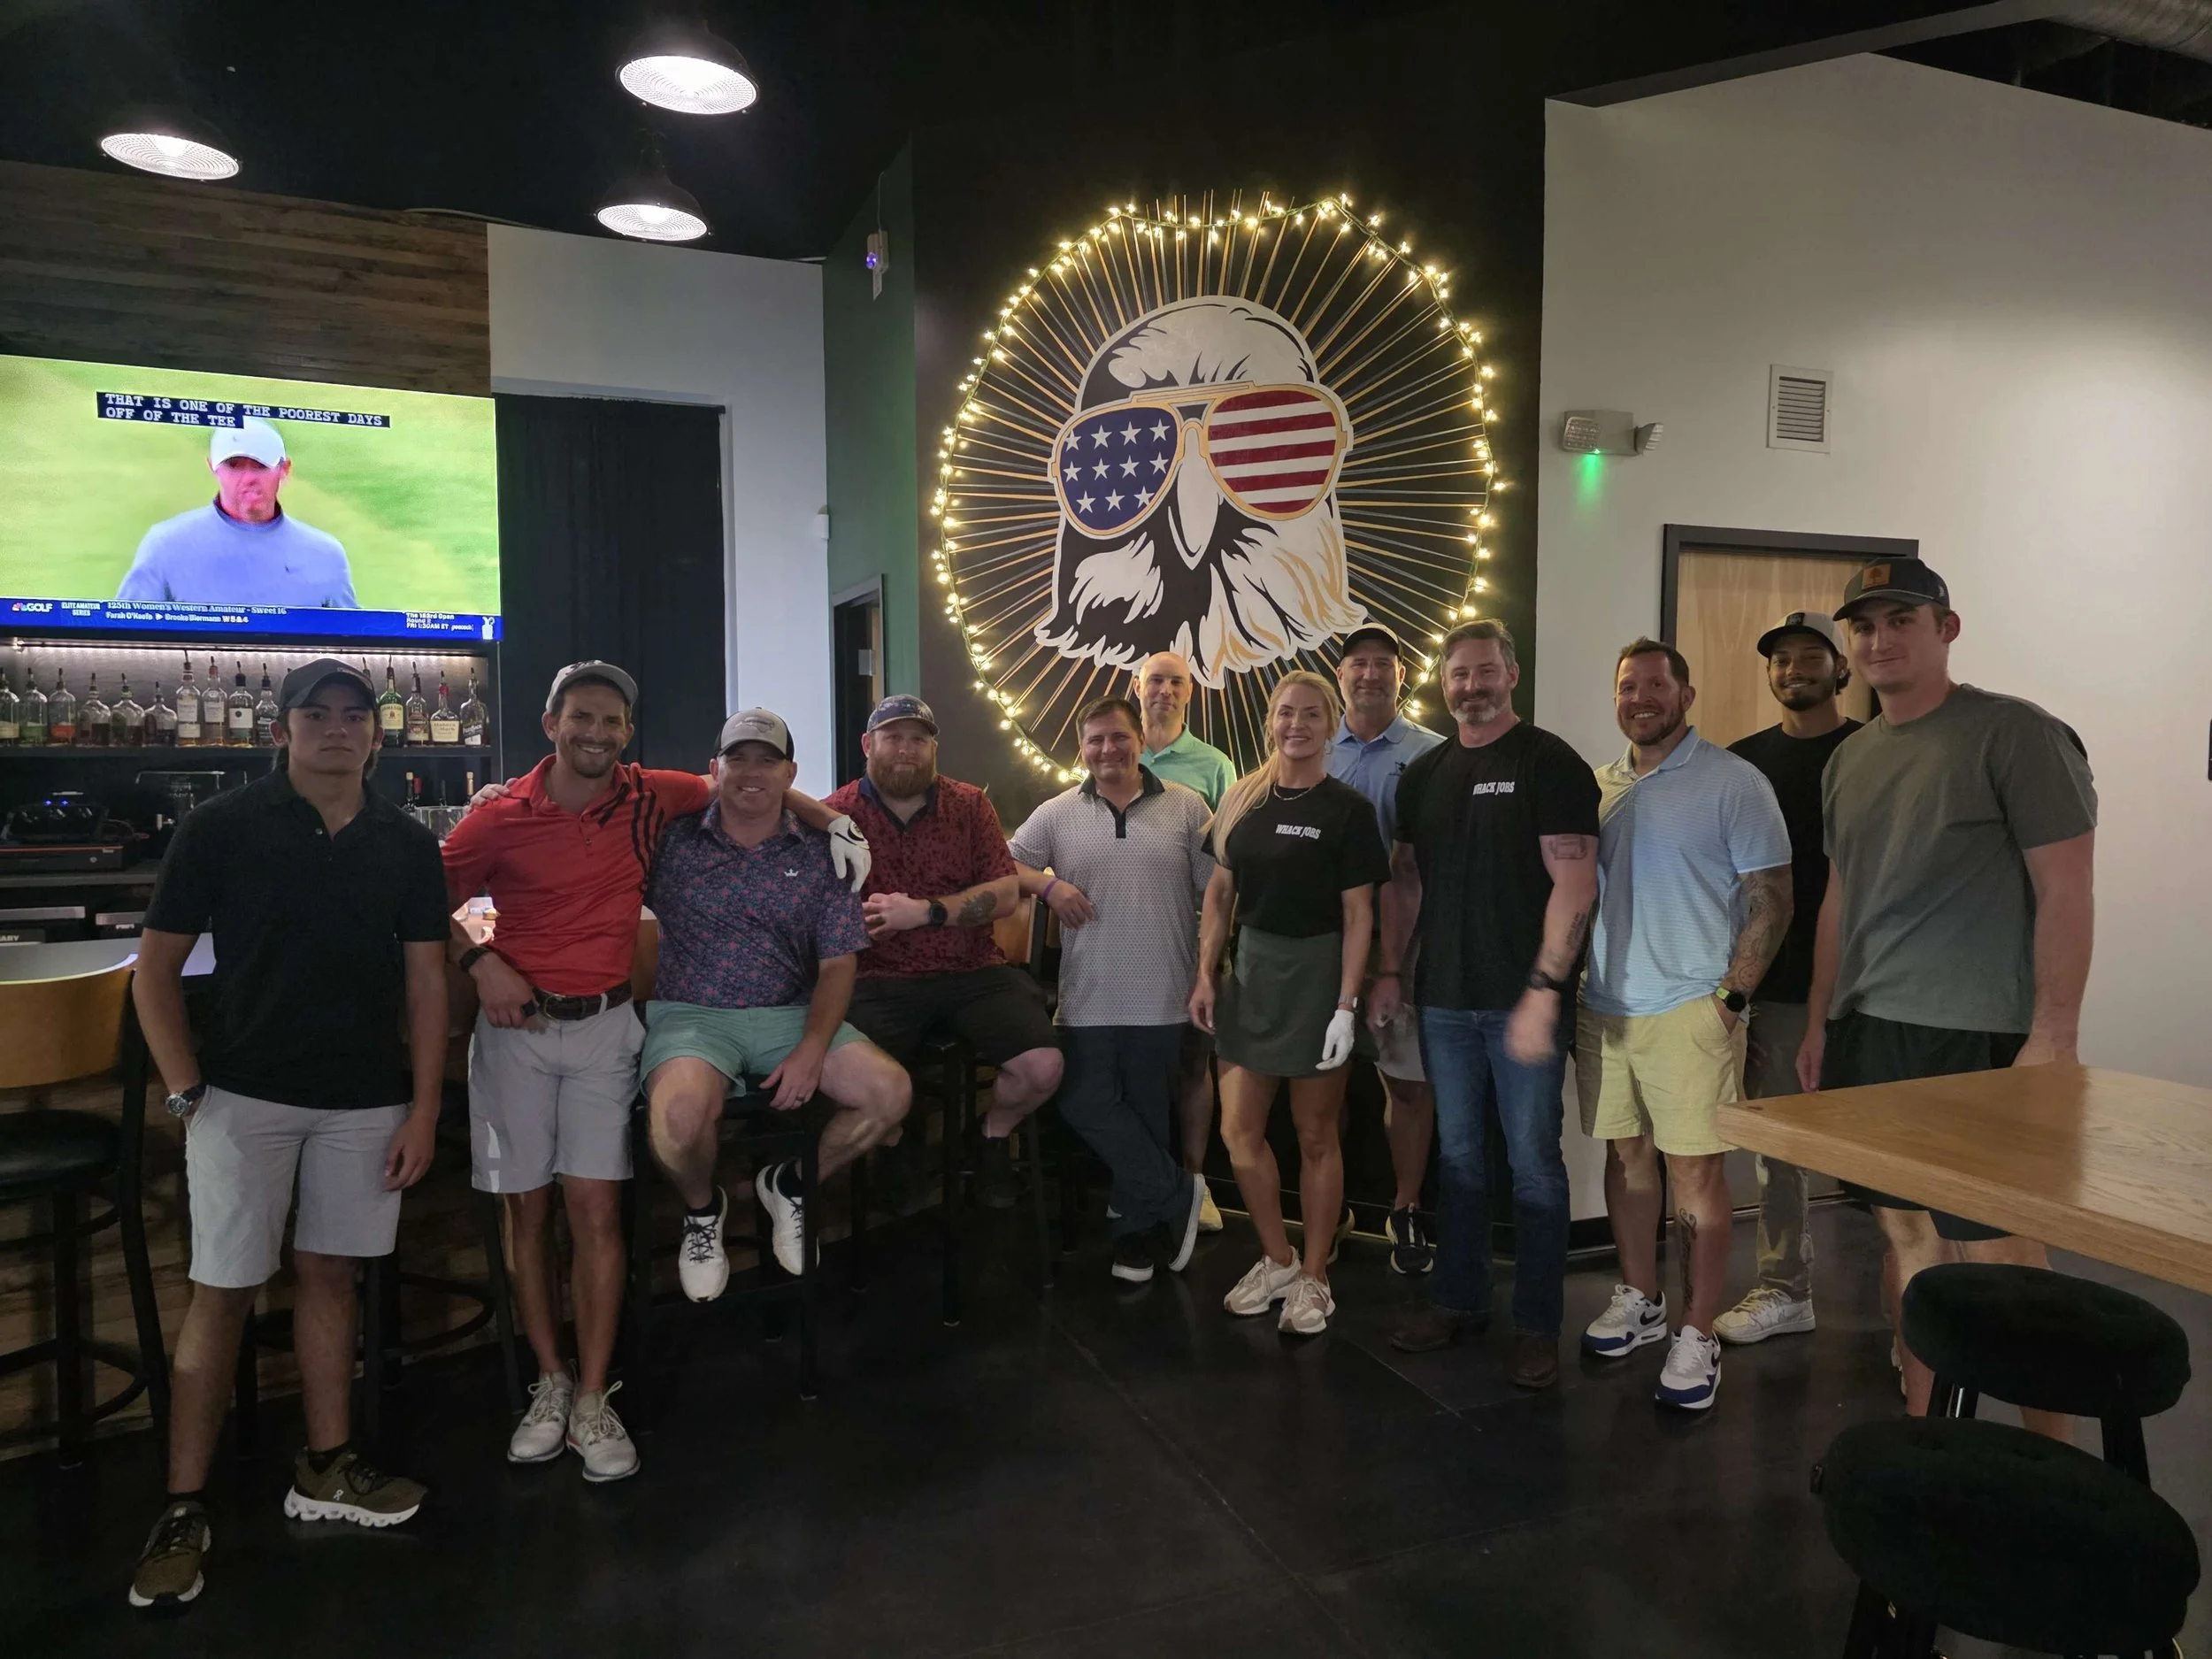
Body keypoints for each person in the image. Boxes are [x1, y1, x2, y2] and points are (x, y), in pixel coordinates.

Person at [127, 659, 449, 1611]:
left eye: (357, 717)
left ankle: (325, 1466)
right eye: (319, 716)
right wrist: (189, 1094)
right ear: (283, 731)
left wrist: (424, 1104)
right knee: (221, 1291)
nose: (339, 730)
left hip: (363, 1099)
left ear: (379, 737)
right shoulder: (219, 828)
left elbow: (428, 980)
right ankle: (184, 1505)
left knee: (329, 1276)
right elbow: (154, 975)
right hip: (243, 1095)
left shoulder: (404, 844)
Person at [1798, 558, 2095, 1439]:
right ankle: (1931, 1438)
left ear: (1945, 628)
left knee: (2002, 1258)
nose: (1879, 640)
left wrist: (2053, 1035)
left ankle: (2054, 1457)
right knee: (1911, 1249)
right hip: (1874, 1032)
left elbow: (2067, 889)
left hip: (1978, 1036)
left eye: (1900, 620)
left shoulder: (2016, 735)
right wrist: (1821, 1018)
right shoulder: (1849, 758)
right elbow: (1839, 900)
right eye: (1864, 626)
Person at [1376, 621, 1599, 1389]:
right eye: (1457, 674)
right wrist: (1389, 972)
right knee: (1460, 1157)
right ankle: (1460, 1299)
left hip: (1520, 1001)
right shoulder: (1425, 773)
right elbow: (1406, 882)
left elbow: (1576, 884)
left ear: (1511, 673)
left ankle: (1538, 1325)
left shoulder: (1550, 762)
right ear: (1444, 683)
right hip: (1442, 998)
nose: (1470, 686)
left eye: (1483, 671)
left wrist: (1543, 991)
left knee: (1534, 1165)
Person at [1577, 640, 1792, 1412]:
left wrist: (1729, 1001)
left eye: (1656, 685)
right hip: (1606, 1006)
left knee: (1696, 1176)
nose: (1641, 697)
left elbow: (1772, 895)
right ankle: (1641, 1298)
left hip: (1692, 1009)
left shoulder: (1734, 783)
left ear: (1686, 694)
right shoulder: (1598, 786)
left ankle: (1696, 1334)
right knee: (1626, 1156)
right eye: (1627, 685)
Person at [642, 710, 913, 1288]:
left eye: (767, 759)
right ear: (714, 768)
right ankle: (702, 1209)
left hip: (790, 1012)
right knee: (678, 1120)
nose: (752, 771)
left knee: (889, 1092)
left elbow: (840, 962)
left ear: (790, 771)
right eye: (738, 757)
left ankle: (792, 1182)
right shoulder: (671, 837)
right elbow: (592, 813)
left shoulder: (824, 852)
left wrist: (815, 1046)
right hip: (692, 1014)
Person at [1190, 671, 1388, 1336]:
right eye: (1284, 713)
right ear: (1269, 722)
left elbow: (1361, 913)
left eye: (1310, 713)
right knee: (1238, 1132)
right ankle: (1276, 1258)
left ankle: (1315, 1276)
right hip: (1251, 973)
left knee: (1314, 1133)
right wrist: (1206, 974)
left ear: (1330, 723)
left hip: (1318, 975)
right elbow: (1219, 895)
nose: (1295, 723)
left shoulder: (1348, 810)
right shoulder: (1243, 798)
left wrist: (1346, 1004)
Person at [825, 695, 1064, 1207]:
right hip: (877, 977)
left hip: (971, 970)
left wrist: (925, 911)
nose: (906, 750)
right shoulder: (835, 814)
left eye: (918, 739)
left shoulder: (969, 804)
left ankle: (991, 1136)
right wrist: (862, 921)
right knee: (844, 1070)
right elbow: (811, 909)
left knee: (1043, 1066)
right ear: (868, 745)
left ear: (934, 747)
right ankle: (895, 1142)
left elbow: (1003, 893)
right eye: (893, 738)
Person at [1009, 696, 1213, 1282]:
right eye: (1095, 739)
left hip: (1165, 990)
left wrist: (1209, 973)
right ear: (1083, 747)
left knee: (1147, 1115)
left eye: (1119, 737)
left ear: (1140, 741)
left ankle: (1133, 1239)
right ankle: (1178, 1194)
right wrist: (1048, 889)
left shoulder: (1186, 807)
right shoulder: (1056, 813)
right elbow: (1005, 866)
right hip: (1087, 994)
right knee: (1083, 1100)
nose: (1108, 750)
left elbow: (1216, 894)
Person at [1712, 613, 1863, 1348]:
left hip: (1868, 986)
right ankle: (1785, 1287)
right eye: (1781, 658)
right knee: (1780, 1148)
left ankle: (1918, 1304)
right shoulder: (1743, 763)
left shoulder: (1872, 751)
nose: (1793, 668)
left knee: (1889, 1144)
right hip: (1774, 984)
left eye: (1811, 657)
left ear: (1843, 670)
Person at [1326, 622, 1445, 1274]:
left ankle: (1405, 1208)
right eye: (1358, 664)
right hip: (1326, 945)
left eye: (1383, 663)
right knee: (1325, 1086)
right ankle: (1329, 1207)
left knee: (1407, 1084)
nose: (1370, 674)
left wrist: (1395, 961)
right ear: (1339, 674)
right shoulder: (1311, 746)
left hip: (1406, 949)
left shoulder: (1432, 753)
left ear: (1402, 674)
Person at [1134, 649, 1236, 1234]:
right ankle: (1147, 1178)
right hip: (1130, 934)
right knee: (1141, 1063)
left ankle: (1195, 1182)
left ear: (1190, 692)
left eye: (1176, 681)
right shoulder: (1112, 748)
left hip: (1192, 935)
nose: (1165, 690)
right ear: (1137, 685)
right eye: (1156, 680)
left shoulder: (1214, 765)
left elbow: (1227, 863)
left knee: (1194, 1062)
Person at [115, 419, 357, 607]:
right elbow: (122, 635)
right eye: (234, 465)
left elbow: (356, 646)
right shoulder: (165, 545)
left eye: (260, 466)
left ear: (284, 469)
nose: (249, 478)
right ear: (213, 468)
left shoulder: (325, 554)